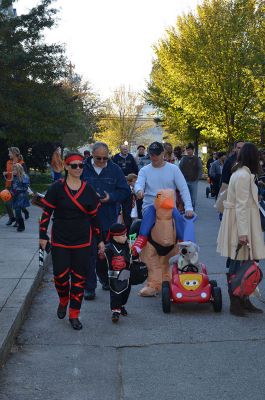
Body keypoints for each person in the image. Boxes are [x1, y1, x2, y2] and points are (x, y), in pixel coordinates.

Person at [39, 152, 104, 330]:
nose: (77, 169)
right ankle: (63, 299)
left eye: (80, 165)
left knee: (79, 279)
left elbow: (95, 217)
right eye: (73, 165)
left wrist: (99, 239)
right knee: (60, 276)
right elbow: (46, 213)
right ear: (66, 167)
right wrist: (42, 235)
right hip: (60, 239)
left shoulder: (88, 189)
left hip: (83, 240)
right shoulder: (56, 188)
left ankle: (74, 314)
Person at [217, 142, 265, 316]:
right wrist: (244, 233)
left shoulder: (240, 173)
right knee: (239, 264)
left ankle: (243, 300)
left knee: (242, 263)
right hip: (241, 224)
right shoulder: (244, 176)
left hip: (239, 222)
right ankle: (237, 302)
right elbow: (242, 206)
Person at [82, 142, 130, 297]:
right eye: (98, 158)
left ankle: (103, 279)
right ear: (92, 155)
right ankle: (90, 287)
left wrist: (111, 197)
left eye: (105, 158)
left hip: (107, 218)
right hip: (86, 218)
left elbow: (124, 192)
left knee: (103, 254)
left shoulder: (115, 169)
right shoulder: (82, 168)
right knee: (90, 253)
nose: (102, 161)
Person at [133, 142, 193, 253]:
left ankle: (182, 241)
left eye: (156, 154)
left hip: (169, 206)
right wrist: (139, 190)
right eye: (151, 155)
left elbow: (183, 188)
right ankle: (141, 238)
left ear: (163, 153)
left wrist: (189, 207)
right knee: (149, 214)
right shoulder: (144, 170)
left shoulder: (174, 169)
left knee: (179, 218)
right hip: (151, 204)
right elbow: (139, 183)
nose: (154, 157)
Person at [104, 223, 131, 323]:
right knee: (115, 291)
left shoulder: (127, 245)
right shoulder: (109, 248)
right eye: (123, 236)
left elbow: (131, 258)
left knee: (126, 290)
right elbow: (103, 262)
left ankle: (122, 305)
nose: (126, 237)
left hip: (125, 271)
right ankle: (115, 311)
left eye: (126, 235)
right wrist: (102, 256)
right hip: (113, 272)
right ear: (115, 236)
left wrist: (133, 252)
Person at [3, 147, 29, 225]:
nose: (8, 154)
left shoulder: (22, 163)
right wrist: (6, 174)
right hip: (9, 186)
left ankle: (19, 219)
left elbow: (25, 176)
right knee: (7, 203)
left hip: (18, 188)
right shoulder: (8, 162)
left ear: (14, 154)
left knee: (17, 204)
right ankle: (12, 218)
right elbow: (9, 173)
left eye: (10, 153)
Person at [179, 143, 202, 210]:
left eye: (190, 150)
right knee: (185, 196)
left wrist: (198, 178)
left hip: (194, 181)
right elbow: (180, 168)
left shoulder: (197, 159)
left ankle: (192, 210)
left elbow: (200, 169)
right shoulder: (183, 159)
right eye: (187, 150)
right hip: (185, 180)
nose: (188, 151)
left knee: (193, 197)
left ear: (193, 150)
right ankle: (185, 209)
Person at [10, 163, 30, 232]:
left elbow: (25, 187)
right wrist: (11, 192)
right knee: (17, 211)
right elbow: (12, 187)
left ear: (19, 170)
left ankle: (21, 226)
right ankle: (20, 223)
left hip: (22, 196)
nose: (13, 171)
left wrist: (17, 190)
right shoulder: (14, 178)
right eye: (13, 169)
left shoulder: (25, 177)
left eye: (14, 169)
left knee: (18, 210)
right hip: (15, 196)